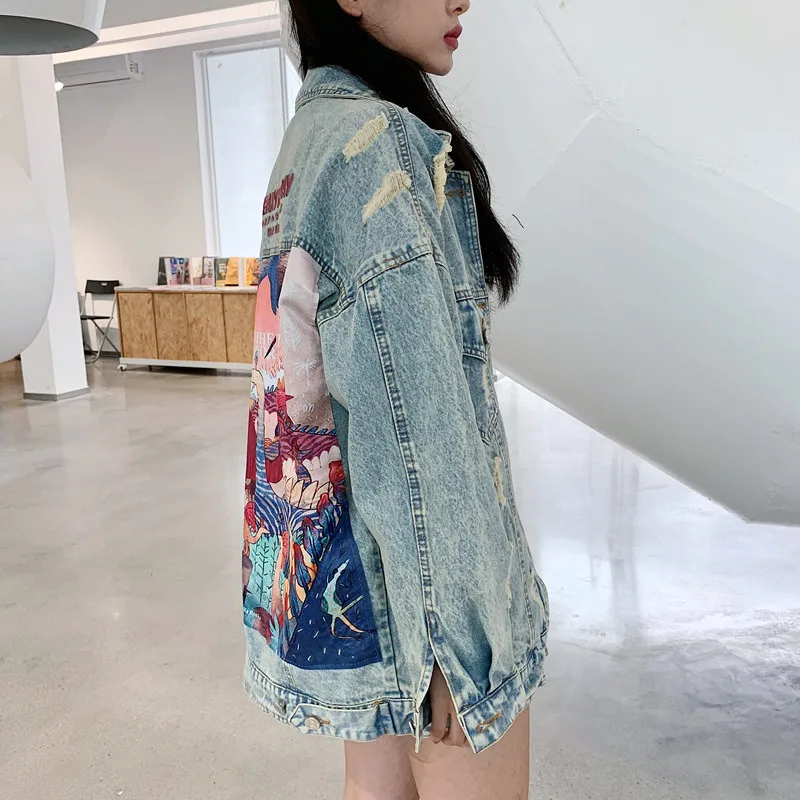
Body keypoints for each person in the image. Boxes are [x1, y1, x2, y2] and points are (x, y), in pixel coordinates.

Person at [241, 1, 550, 797]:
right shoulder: (372, 147)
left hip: (352, 584)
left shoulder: (305, 146)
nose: (461, 0)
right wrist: (457, 642)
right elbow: (418, 428)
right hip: (421, 602)